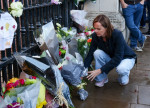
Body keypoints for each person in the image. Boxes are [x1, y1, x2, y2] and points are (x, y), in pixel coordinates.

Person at [84, 14, 136, 87]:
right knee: (97, 53)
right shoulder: (95, 36)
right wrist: (83, 69)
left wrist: (100, 70)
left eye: (98, 29)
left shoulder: (117, 34)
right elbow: (90, 53)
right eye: (94, 28)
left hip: (126, 57)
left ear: (106, 28)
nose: (95, 31)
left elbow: (118, 58)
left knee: (121, 73)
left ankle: (125, 72)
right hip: (113, 57)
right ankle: (102, 78)